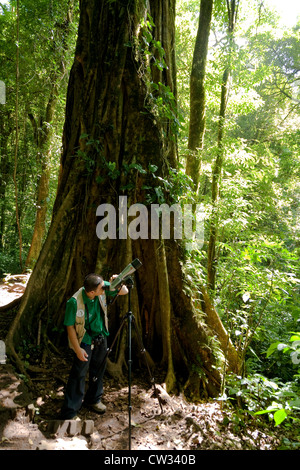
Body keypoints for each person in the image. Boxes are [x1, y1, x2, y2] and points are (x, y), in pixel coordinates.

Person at [60, 273, 128, 420]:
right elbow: (70, 327)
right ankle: (70, 411)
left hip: (100, 336)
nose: (104, 290)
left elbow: (125, 291)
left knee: (99, 369)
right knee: (79, 373)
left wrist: (117, 282)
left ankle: (93, 400)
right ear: (92, 292)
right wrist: (78, 349)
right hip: (84, 339)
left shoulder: (100, 287)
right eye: (101, 289)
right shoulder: (74, 302)